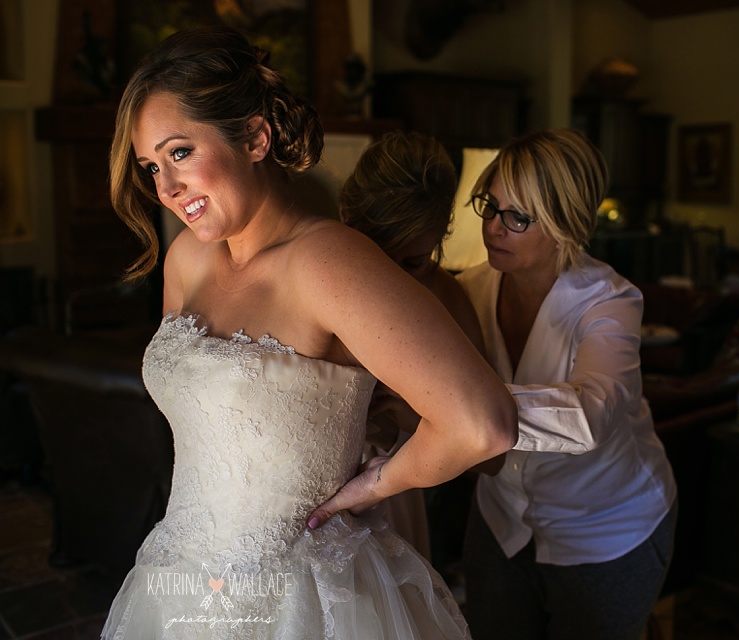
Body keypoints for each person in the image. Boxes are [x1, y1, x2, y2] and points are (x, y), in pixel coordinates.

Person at [101, 25, 517, 639]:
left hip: (302, 598)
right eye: (150, 166)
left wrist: (372, 486)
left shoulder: (329, 262)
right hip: (183, 578)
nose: (165, 188)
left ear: (255, 137)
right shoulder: (187, 258)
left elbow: (482, 423)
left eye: (180, 152)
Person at [457, 128, 678, 640]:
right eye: (490, 206)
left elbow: (590, 413)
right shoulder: (469, 289)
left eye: (517, 217)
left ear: (565, 225)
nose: (494, 227)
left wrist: (460, 404)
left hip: (608, 526)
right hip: (501, 519)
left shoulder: (609, 303)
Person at [337, 129, 485, 566]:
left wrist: (409, 410)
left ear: (440, 240)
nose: (394, 282)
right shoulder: (311, 270)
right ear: (346, 217)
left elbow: (489, 456)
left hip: (390, 491)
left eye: (413, 264)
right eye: (378, 254)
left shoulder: (448, 298)